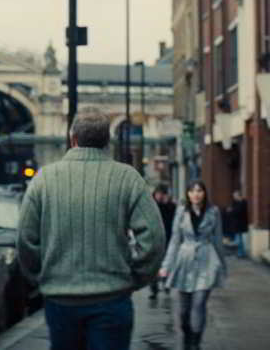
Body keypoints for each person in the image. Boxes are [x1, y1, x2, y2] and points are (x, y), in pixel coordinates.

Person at [17, 107, 166, 350]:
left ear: (72, 138)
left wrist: (40, 277)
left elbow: (25, 239)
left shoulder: (44, 179)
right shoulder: (128, 178)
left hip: (60, 298)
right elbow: (154, 238)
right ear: (107, 140)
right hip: (112, 297)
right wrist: (135, 278)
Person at [160, 181, 226, 349]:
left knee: (199, 304)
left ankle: (195, 343)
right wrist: (166, 266)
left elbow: (218, 240)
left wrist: (222, 267)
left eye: (199, 191)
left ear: (204, 193)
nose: (196, 194)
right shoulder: (181, 211)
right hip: (184, 261)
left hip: (207, 260)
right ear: (188, 194)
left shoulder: (214, 212)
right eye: (192, 191)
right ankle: (187, 336)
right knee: (184, 310)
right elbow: (175, 241)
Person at [150, 185, 177, 298]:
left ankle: (166, 284)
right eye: (158, 194)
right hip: (154, 239)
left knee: (167, 263)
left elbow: (174, 220)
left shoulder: (171, 207)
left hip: (168, 238)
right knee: (154, 264)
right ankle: (154, 288)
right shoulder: (150, 205)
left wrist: (168, 204)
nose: (160, 196)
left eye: (162, 194)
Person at [231, 190, 249, 258]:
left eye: (235, 196)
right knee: (239, 240)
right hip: (238, 224)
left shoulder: (242, 203)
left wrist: (232, 210)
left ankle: (241, 253)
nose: (234, 197)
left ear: (238, 195)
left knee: (239, 240)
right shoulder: (237, 203)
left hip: (241, 224)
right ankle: (241, 253)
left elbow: (238, 212)